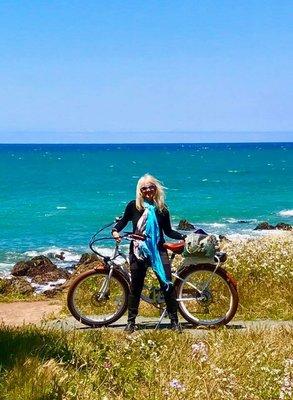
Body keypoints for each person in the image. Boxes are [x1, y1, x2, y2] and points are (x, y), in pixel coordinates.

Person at [112, 174, 186, 333]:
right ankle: (131, 322)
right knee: (136, 287)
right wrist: (115, 231)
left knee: (167, 285)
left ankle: (174, 321)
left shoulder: (162, 209)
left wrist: (183, 237)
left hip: (158, 249)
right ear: (139, 190)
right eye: (144, 188)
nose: (148, 190)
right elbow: (124, 221)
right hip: (138, 250)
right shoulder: (133, 206)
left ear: (156, 188)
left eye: (151, 186)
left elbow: (168, 231)